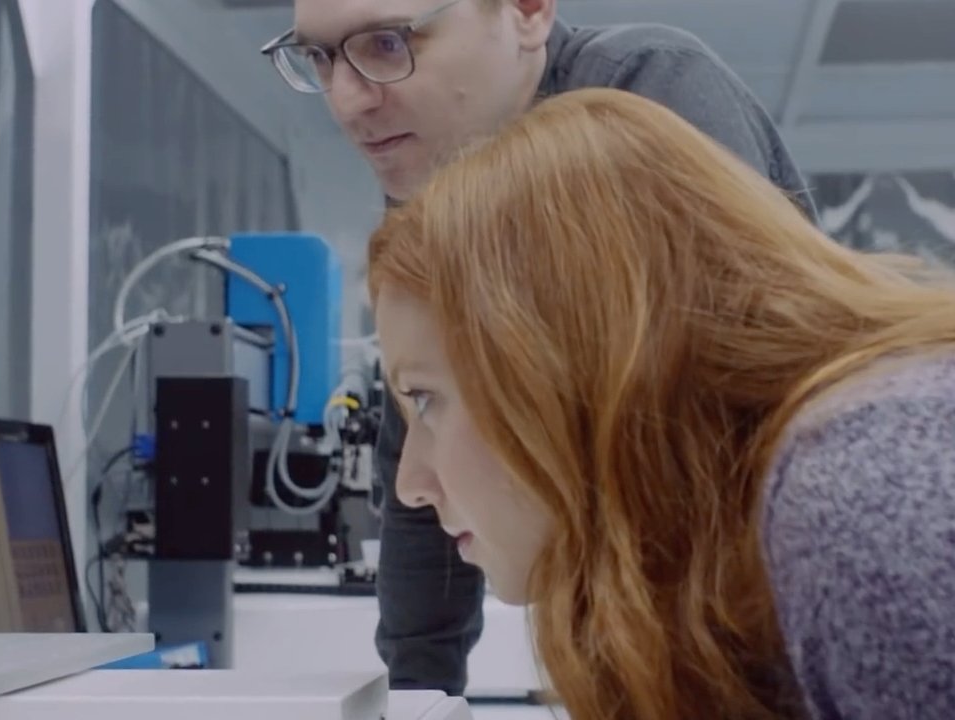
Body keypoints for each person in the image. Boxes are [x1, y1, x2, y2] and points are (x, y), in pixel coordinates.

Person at [262, 0, 814, 695]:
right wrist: (420, 693)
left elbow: (722, 438)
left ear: (527, 11)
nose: (346, 102)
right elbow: (420, 452)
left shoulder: (650, 95)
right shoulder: (437, 167)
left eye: (387, 43)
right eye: (319, 58)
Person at [367, 87, 955, 720]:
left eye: (425, 400)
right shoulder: (726, 558)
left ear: (564, 361)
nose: (410, 487)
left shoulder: (868, 501)